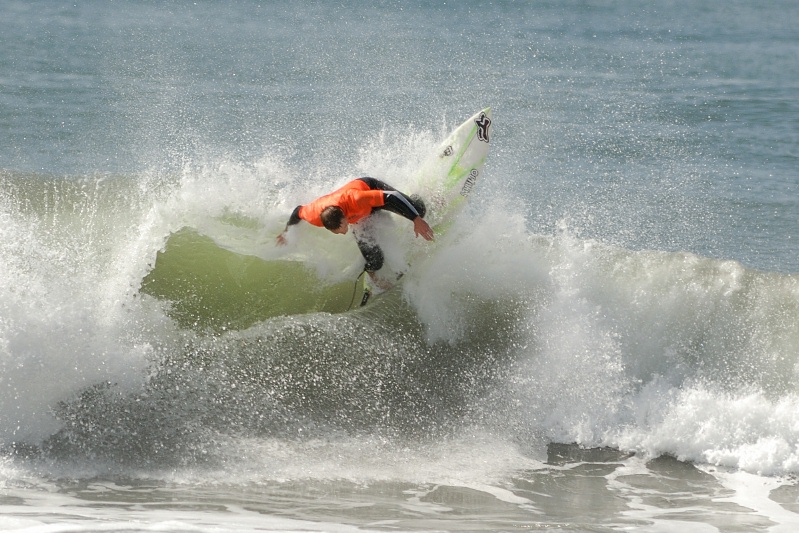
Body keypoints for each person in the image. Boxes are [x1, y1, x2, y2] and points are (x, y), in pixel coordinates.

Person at [276, 177, 434, 287]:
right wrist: (286, 232)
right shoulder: (314, 214)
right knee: (375, 259)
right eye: (336, 232)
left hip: (371, 189)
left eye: (342, 228)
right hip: (359, 214)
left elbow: (392, 197)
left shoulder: (356, 199)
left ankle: (423, 196)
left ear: (345, 218)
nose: (343, 233)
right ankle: (372, 275)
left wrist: (416, 220)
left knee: (419, 210)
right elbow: (297, 211)